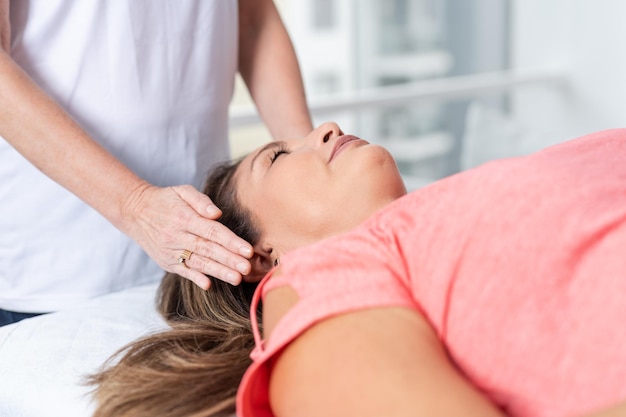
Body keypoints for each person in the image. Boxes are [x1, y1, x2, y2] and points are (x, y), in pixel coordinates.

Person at [89, 123, 626, 417]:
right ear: (258, 257)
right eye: (276, 157)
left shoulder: (441, 219)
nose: (326, 128)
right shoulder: (316, 277)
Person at [0, 0, 313, 326]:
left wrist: (314, 167)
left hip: (207, 259)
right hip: (59, 266)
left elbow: (252, 18)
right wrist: (134, 205)